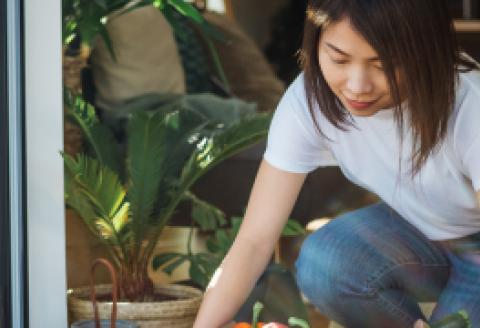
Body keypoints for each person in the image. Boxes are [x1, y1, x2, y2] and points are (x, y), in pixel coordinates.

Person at [193, 0, 480, 327]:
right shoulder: (309, 101)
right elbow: (254, 240)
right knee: (325, 261)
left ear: (426, 52)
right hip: (423, 233)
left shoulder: (469, 102)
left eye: (383, 64)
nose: (358, 86)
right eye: (339, 58)